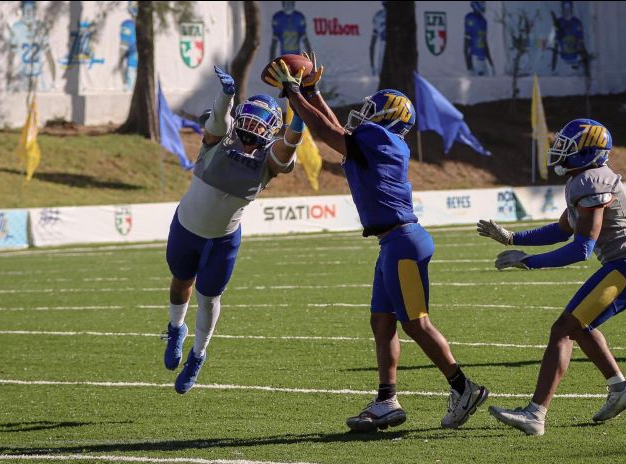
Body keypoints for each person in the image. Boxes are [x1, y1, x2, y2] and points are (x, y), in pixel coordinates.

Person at [267, 53, 489, 433]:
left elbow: (326, 132)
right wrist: (311, 91)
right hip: (394, 243)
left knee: (416, 325)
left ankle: (463, 388)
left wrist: (293, 93)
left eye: (373, 110)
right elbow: (334, 127)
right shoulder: (379, 139)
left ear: (387, 118)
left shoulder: (378, 138)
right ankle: (387, 400)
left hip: (402, 242)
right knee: (382, 322)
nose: (363, 115)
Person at [478, 119, 626, 436]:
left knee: (563, 330)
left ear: (586, 152)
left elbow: (581, 248)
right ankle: (619, 388)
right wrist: (513, 239)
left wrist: (531, 262)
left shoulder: (592, 181)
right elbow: (561, 229)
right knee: (582, 327)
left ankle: (535, 414)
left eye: (566, 146)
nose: (558, 149)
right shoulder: (582, 179)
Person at [162, 66, 301, 394]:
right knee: (181, 281)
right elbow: (218, 120)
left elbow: (289, 146)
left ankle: (198, 354)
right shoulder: (219, 137)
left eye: (258, 123)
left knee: (209, 297)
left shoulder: (270, 160)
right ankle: (175, 328)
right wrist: (226, 94)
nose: (251, 128)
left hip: (222, 240)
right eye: (248, 119)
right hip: (187, 226)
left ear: (270, 130)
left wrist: (301, 116)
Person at [550, 0, 587, 76]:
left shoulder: (577, 22)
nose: (567, 10)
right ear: (561, 8)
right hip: (562, 62)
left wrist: (584, 63)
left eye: (568, 7)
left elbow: (581, 44)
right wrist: (553, 67)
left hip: (575, 60)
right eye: (564, 7)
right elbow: (555, 45)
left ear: (572, 7)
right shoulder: (558, 22)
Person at [464, 1, 495, 76]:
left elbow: (484, 41)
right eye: (481, 2)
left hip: (483, 59)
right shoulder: (470, 18)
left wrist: (490, 60)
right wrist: (469, 65)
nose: (483, 5)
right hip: (474, 58)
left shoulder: (483, 20)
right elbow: (466, 43)